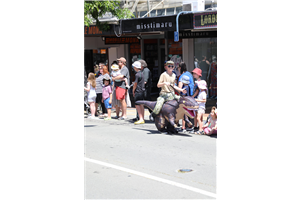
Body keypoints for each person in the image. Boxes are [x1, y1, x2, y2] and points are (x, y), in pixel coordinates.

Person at [191, 68, 202, 132]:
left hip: (197, 99)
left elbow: (197, 91)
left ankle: (197, 127)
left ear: (198, 75)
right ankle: (196, 126)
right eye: (193, 73)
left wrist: (192, 97)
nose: (193, 75)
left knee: (197, 114)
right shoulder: (197, 82)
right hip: (198, 99)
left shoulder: (198, 82)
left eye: (195, 73)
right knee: (197, 113)